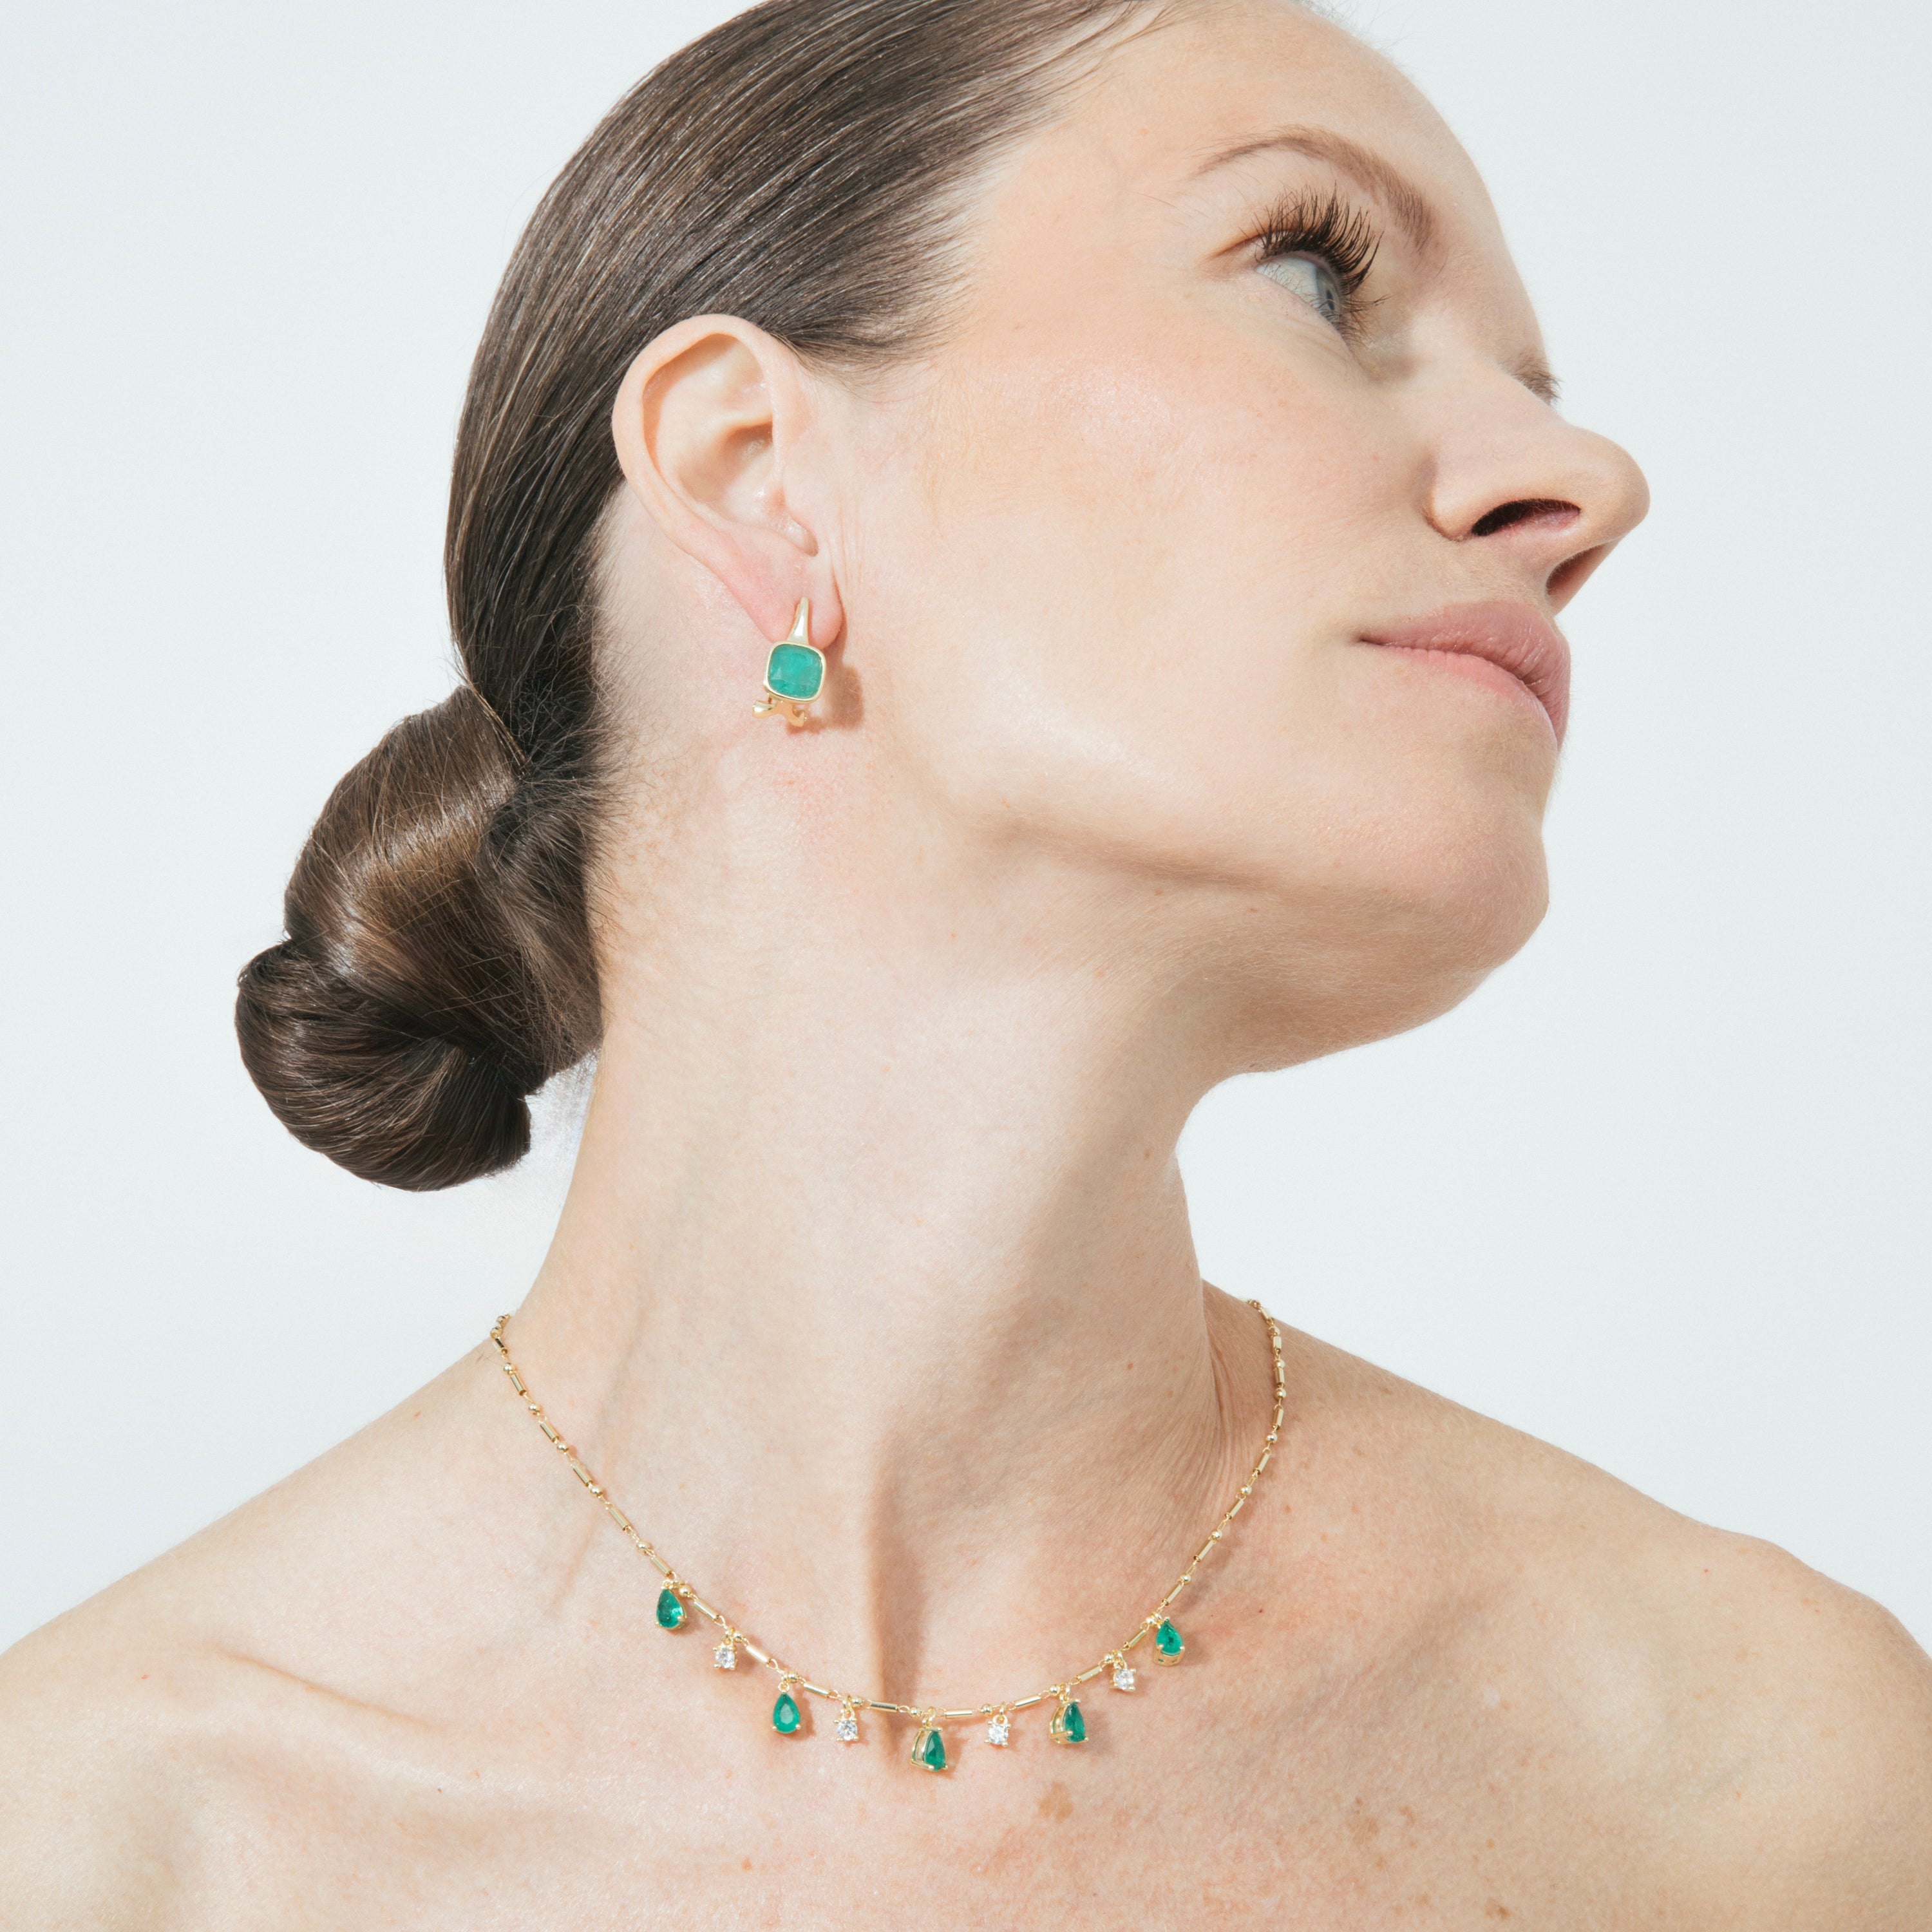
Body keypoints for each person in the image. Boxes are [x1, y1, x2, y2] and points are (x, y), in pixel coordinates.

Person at [4, 0, 1927, 1922]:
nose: (1587, 484)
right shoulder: (109, 1848)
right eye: (1315, 273)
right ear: (758, 470)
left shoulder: (1757, 1779)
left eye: (1536, 383)